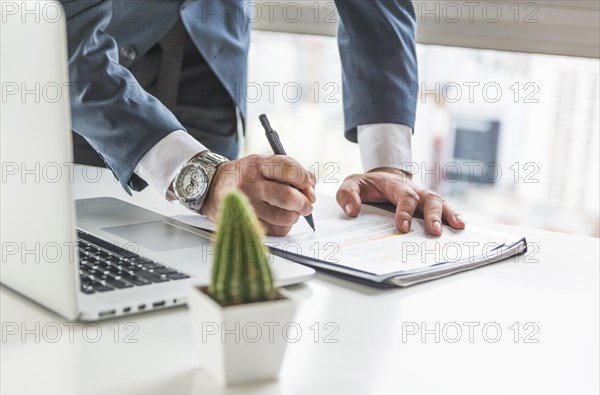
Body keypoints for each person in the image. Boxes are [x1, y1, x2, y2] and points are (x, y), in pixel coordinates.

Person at [62, 0, 465, 236]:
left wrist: (388, 165)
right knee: (82, 253)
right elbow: (63, 39)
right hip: (89, 76)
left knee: (219, 261)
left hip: (212, 68)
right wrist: (203, 177)